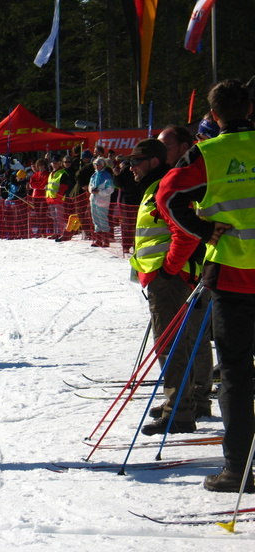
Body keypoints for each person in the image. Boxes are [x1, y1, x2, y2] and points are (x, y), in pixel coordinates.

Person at [156, 79, 255, 493]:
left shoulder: (207, 153)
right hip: (230, 278)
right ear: (250, 109)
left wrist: (200, 229)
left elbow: (166, 196)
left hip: (231, 276)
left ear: (214, 115)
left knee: (236, 373)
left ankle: (238, 469)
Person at [126, 138, 211, 438]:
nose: (131, 167)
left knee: (170, 345)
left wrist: (167, 270)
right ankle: (183, 403)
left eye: (136, 161)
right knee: (178, 343)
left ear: (154, 161)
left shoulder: (164, 187)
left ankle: (179, 411)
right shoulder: (154, 187)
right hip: (165, 277)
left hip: (169, 279)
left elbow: (186, 233)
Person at [87, 157, 115, 247]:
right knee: (95, 219)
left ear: (103, 165)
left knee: (103, 220)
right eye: (95, 164)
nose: (97, 166)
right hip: (93, 200)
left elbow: (110, 189)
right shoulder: (94, 175)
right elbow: (90, 186)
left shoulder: (107, 175)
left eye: (98, 164)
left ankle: (106, 240)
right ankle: (98, 240)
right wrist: (92, 190)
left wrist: (99, 192)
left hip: (102, 200)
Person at [45, 155, 74, 240]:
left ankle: (60, 233)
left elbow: (64, 187)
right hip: (51, 198)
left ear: (60, 163)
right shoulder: (51, 173)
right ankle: (56, 232)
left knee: (59, 217)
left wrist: (59, 195)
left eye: (56, 163)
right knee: (54, 218)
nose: (55, 164)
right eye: (53, 163)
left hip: (58, 199)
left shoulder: (62, 173)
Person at [28, 158, 50, 237]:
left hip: (44, 196)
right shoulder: (35, 174)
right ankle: (40, 231)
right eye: (39, 165)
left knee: (43, 214)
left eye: (42, 165)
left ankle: (43, 231)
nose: (41, 167)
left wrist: (36, 185)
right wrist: (38, 185)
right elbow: (31, 184)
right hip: (36, 196)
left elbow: (43, 184)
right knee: (38, 214)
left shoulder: (47, 174)